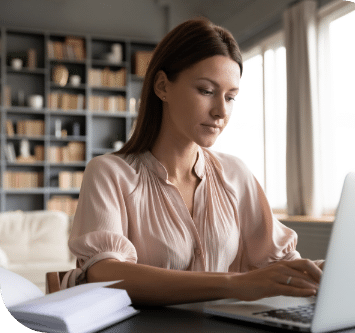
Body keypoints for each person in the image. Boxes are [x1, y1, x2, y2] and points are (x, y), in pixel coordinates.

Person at [61, 17, 323, 306]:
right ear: (162, 87)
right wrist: (236, 284)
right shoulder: (109, 173)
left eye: (231, 96)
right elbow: (104, 274)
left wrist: (318, 273)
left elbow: (281, 260)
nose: (221, 111)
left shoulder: (236, 173)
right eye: (206, 91)